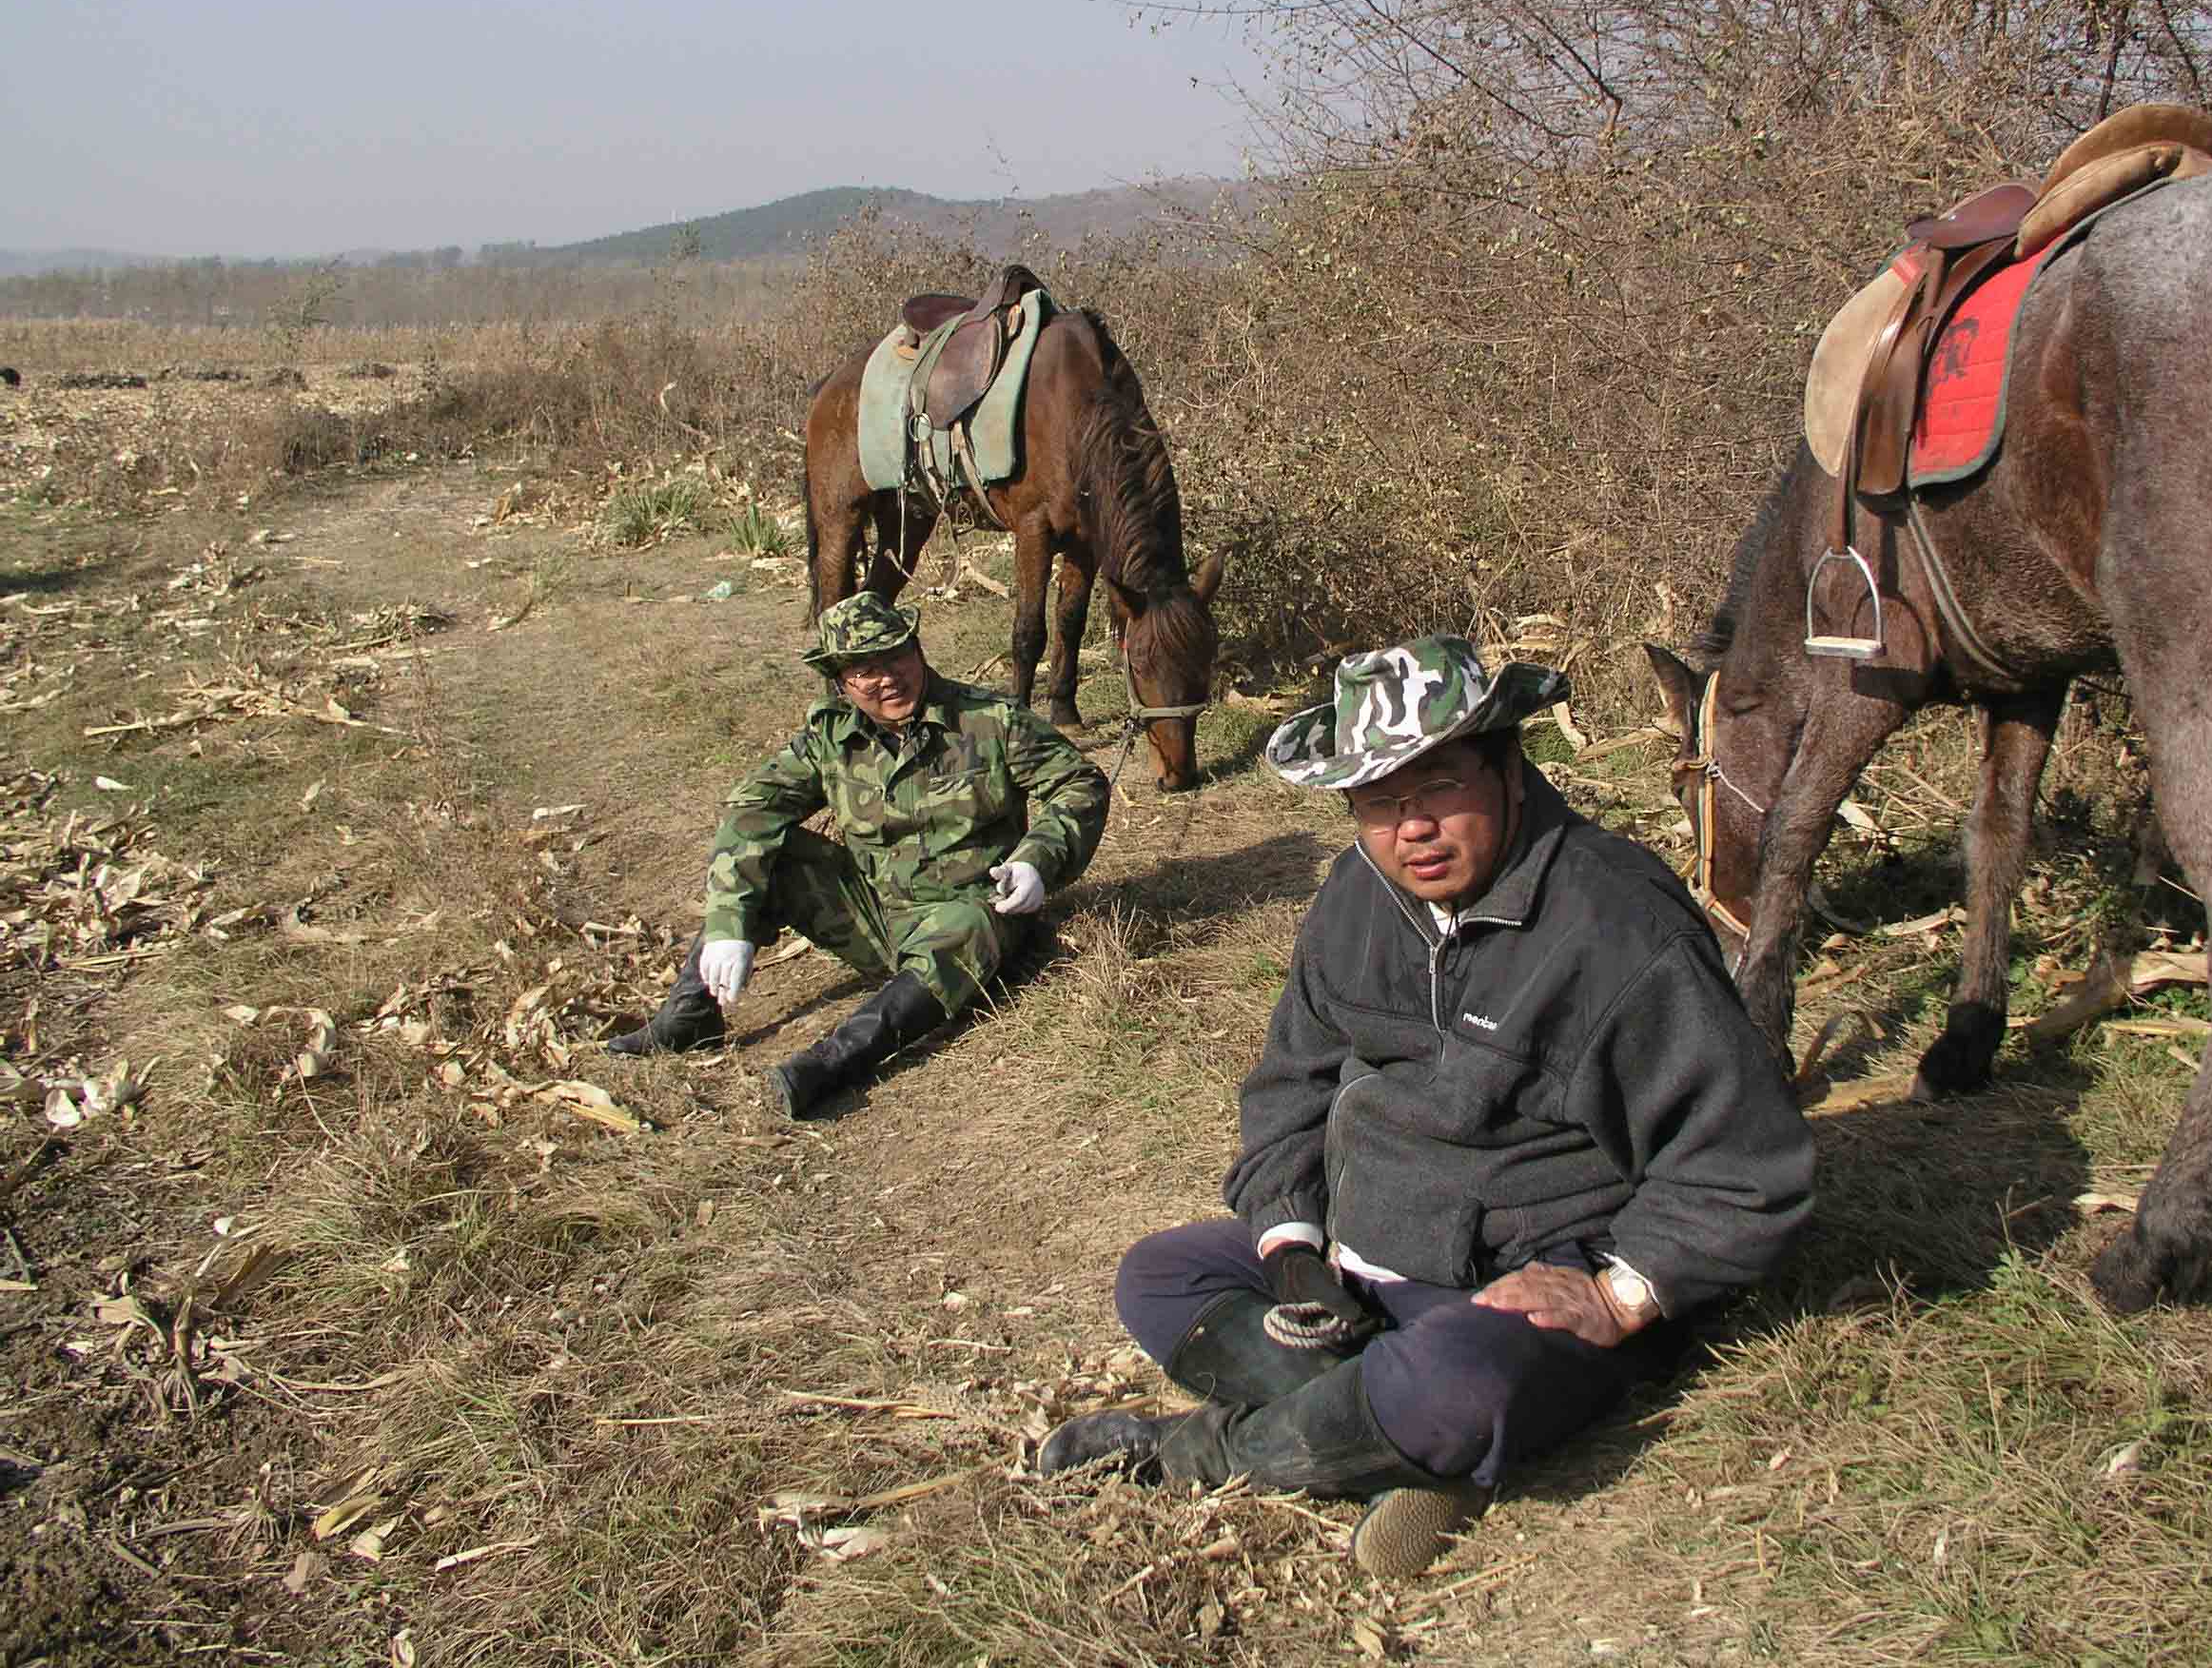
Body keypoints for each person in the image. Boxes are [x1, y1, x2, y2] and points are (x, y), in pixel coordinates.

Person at [1039, 635, 1815, 1577]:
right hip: (1362, 1259)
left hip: (1520, 1277)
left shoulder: (1617, 927)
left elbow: (1742, 1163)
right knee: (1159, 1278)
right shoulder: (1354, 900)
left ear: (1507, 770)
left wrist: (1619, 1295)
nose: (1411, 827)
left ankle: (1201, 1452)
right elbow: (1290, 1087)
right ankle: (1391, 1440)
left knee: (1457, 1382)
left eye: (1437, 787)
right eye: (1377, 801)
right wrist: (1290, 1251)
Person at [609, 592, 1110, 1119]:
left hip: (976, 913)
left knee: (969, 920)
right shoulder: (830, 738)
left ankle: (832, 1064)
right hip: (878, 913)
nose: (888, 677)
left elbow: (1078, 784)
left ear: (918, 650)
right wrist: (728, 924)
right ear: (843, 683)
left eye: (897, 656)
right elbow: (751, 812)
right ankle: (690, 1016)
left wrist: (1037, 859)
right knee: (775, 855)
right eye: (866, 670)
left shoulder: (990, 719)